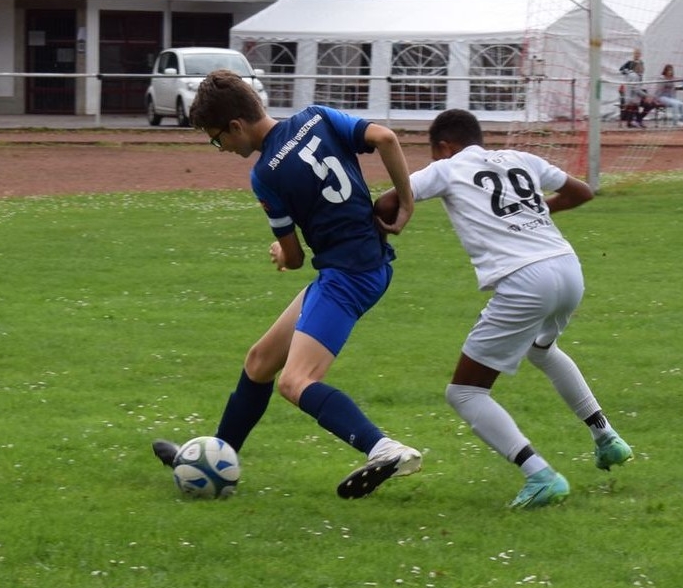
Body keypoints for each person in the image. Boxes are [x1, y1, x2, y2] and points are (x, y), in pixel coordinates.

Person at [151, 69, 424, 499]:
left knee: (294, 381)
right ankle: (214, 458)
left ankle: (384, 449)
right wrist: (406, 202)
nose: (222, 148)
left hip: (348, 278)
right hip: (362, 264)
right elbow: (386, 138)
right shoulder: (318, 117)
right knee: (260, 360)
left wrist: (281, 253)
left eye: (217, 139)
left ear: (236, 126)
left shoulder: (265, 175)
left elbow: (294, 259)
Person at [375, 109, 632, 509]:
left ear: (444, 146)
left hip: (525, 279)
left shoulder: (447, 168)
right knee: (542, 350)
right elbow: (582, 192)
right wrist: (529, 214)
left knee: (465, 392)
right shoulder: (520, 158)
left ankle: (540, 475)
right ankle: (606, 437)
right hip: (568, 268)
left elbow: (387, 200)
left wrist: (384, 224)